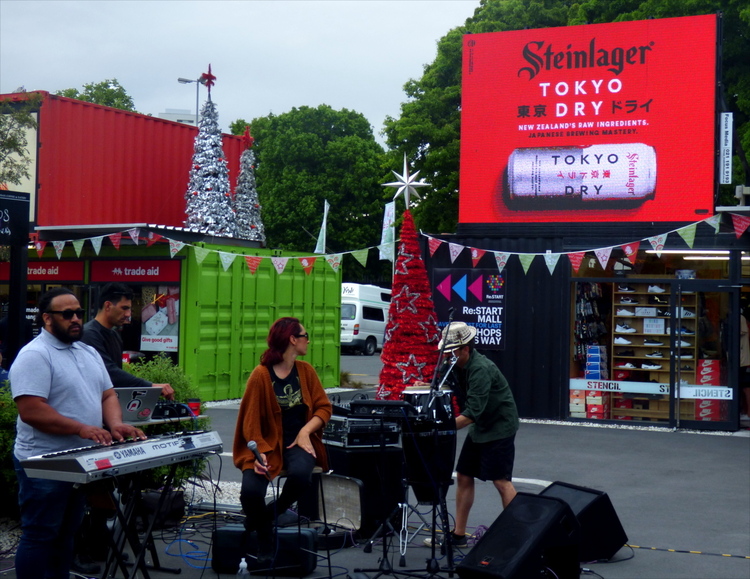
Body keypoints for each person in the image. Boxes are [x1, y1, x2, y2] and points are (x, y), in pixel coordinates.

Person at [9, 287, 146, 579]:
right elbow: (31, 410)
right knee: (41, 535)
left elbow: (108, 395)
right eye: (67, 314)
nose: (75, 319)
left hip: (80, 460)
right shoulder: (34, 355)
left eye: (79, 313)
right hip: (42, 462)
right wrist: (83, 428)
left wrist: (116, 423)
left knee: (66, 534)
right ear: (47, 318)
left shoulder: (88, 351)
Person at [233, 317, 332, 567]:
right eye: (305, 335)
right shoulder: (261, 375)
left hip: (297, 441)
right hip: (264, 442)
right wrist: (261, 453)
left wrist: (305, 432)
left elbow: (323, 407)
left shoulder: (306, 371)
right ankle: (266, 533)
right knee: (251, 492)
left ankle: (267, 516)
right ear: (292, 339)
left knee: (301, 475)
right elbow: (250, 422)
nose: (308, 340)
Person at [427, 321, 519, 548]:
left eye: (450, 352)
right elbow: (445, 388)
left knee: (501, 481)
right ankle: (458, 535)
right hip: (481, 427)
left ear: (465, 349)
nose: (446, 356)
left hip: (499, 425)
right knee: (465, 475)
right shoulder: (455, 365)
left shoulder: (480, 369)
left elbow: (471, 414)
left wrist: (441, 429)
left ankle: (521, 535)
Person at [82, 282, 174, 400]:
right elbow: (109, 373)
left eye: (129, 309)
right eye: (124, 308)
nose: (128, 314)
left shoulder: (114, 335)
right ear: (108, 306)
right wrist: (150, 386)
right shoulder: (89, 334)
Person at [740, 313, 750, 421]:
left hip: (743, 359)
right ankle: (745, 411)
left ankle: (748, 412)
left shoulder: (740, 318)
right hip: (743, 358)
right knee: (744, 385)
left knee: (746, 386)